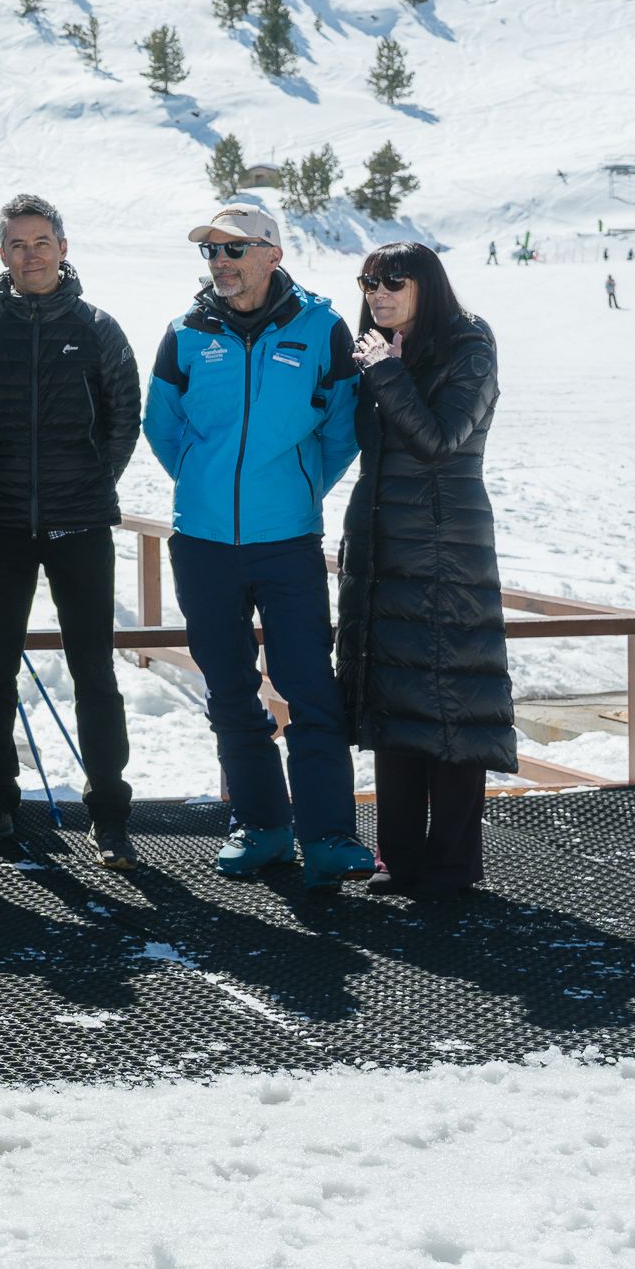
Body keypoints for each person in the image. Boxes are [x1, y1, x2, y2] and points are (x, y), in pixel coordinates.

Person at [143, 203, 365, 886]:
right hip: (204, 544)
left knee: (308, 687)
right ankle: (262, 826)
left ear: (271, 254)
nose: (221, 264)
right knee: (230, 690)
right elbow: (163, 427)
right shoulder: (184, 335)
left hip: (288, 542)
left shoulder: (323, 331)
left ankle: (328, 835)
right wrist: (208, 486)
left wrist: (292, 491)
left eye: (234, 251)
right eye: (211, 252)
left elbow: (342, 430)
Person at [0, 195, 144, 868]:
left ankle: (110, 812)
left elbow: (125, 418)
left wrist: (91, 488)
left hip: (80, 526)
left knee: (94, 670)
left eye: (41, 242)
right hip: (2, 528)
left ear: (63, 247)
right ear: (1, 255)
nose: (30, 255)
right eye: (17, 244)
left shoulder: (97, 330)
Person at [337, 244, 512, 898]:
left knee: (453, 707)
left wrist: (386, 373)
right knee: (394, 707)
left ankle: (451, 867)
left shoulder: (469, 343)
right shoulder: (381, 350)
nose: (377, 294)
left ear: (426, 285)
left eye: (391, 282)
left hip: (446, 550)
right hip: (383, 550)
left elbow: (440, 440)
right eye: (368, 283)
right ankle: (400, 860)